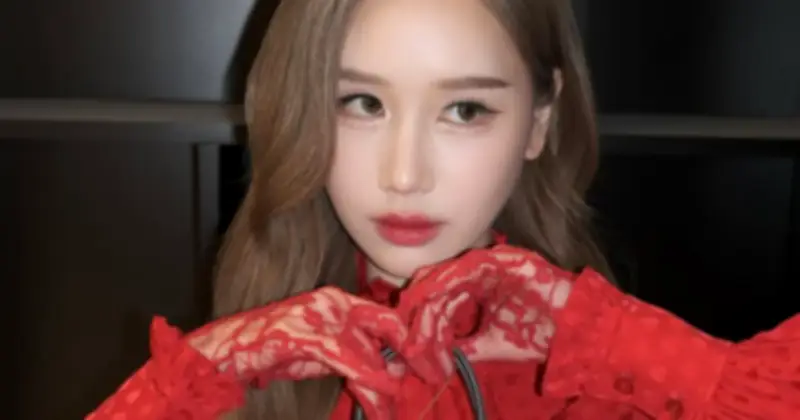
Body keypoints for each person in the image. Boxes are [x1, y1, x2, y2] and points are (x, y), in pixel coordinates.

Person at [86, 0, 800, 419]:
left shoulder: (608, 381)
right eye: (362, 103)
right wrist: (210, 367)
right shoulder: (253, 364)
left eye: (465, 110)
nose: (404, 175)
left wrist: (619, 342)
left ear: (539, 121)